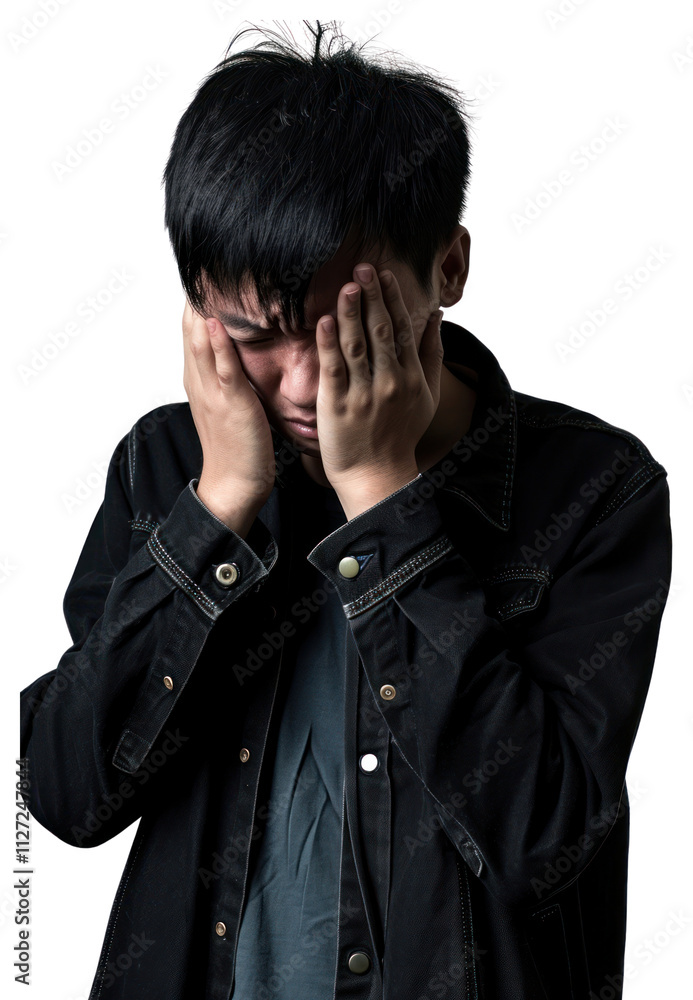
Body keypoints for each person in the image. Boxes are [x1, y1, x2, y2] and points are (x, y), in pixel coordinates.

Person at [19, 19, 672, 1000]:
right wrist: (216, 510)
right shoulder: (168, 465)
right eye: (254, 337)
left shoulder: (592, 487)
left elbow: (550, 848)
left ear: (448, 268)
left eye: (346, 332)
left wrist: (383, 500)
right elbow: (70, 796)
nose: (302, 384)